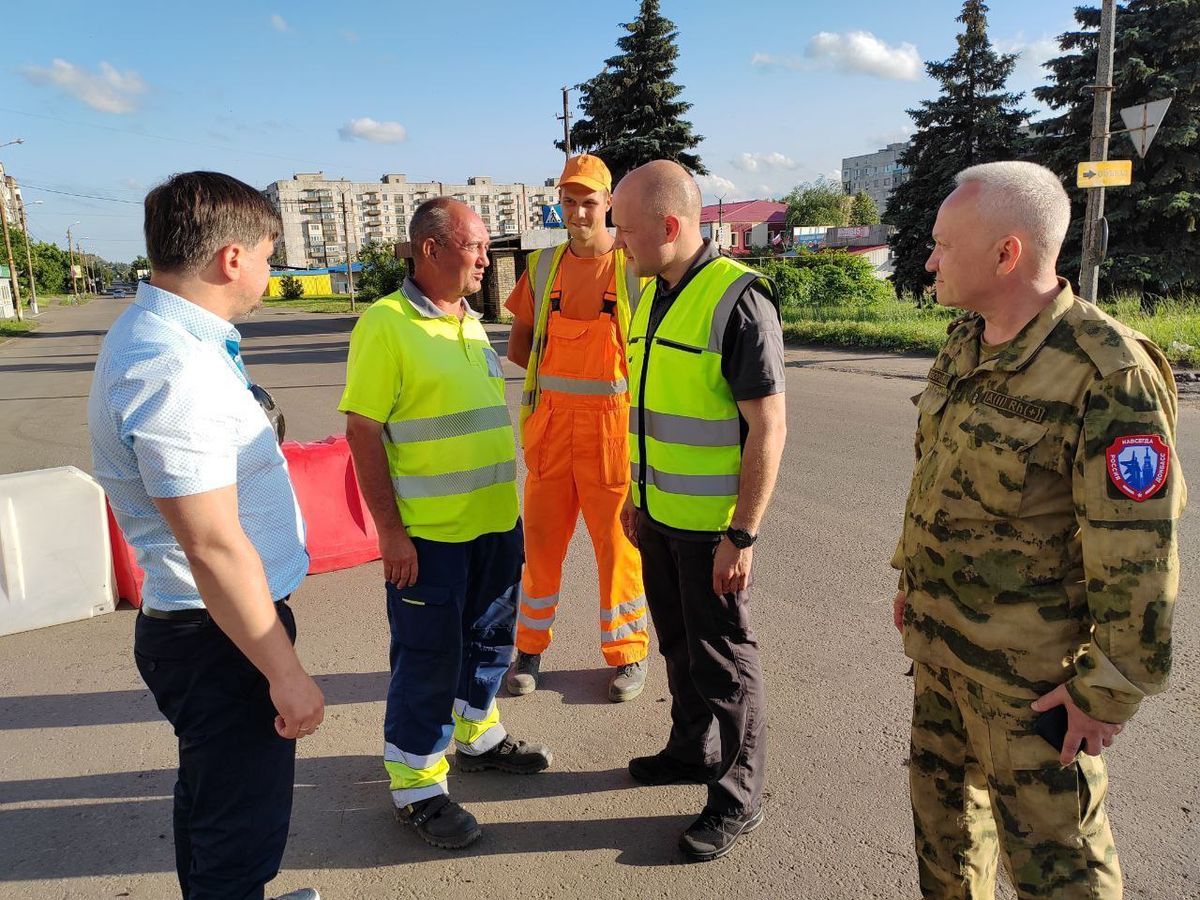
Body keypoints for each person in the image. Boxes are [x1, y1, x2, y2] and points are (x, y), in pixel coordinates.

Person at [892, 161, 1186, 899]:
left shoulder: (1107, 373)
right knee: (945, 845)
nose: (929, 259)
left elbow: (1138, 552)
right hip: (942, 657)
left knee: (1059, 871)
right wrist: (910, 578)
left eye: (942, 245)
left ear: (1006, 253)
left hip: (1034, 690)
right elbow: (935, 472)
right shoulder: (964, 343)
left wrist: (1107, 688)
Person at [87, 171, 323, 900]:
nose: (269, 271)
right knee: (239, 832)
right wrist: (284, 672)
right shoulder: (170, 366)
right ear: (230, 259)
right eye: (267, 254)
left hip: (214, 629)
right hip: (219, 636)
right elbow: (213, 547)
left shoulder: (175, 338)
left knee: (212, 801)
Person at [341, 197, 552, 851]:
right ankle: (416, 787)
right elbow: (363, 432)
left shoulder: (466, 320)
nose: (487, 259)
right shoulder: (386, 323)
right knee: (428, 659)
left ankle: (477, 736)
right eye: (475, 246)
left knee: (491, 644)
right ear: (431, 250)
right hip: (429, 537)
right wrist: (391, 531)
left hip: (493, 524)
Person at [611, 160, 787, 862]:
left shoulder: (737, 300)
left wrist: (741, 533)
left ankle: (739, 796)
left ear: (671, 226)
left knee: (725, 662)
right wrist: (634, 495)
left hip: (712, 528)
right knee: (679, 647)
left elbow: (768, 426)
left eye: (625, 229)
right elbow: (650, 406)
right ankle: (690, 748)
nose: (618, 242)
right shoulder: (652, 292)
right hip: (657, 515)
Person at [504, 153, 650, 702]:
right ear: (559, 204)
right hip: (551, 436)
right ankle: (530, 650)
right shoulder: (542, 268)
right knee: (540, 547)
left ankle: (628, 654)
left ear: (608, 203)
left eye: (589, 202)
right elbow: (521, 346)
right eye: (569, 201)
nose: (579, 212)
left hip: (612, 438)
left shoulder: (633, 268)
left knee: (619, 549)